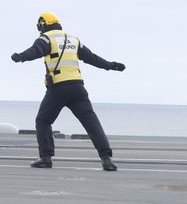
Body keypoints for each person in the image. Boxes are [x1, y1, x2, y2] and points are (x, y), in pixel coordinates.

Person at [10, 13, 126, 171]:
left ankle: (45, 157)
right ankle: (106, 159)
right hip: (78, 88)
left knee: (43, 121)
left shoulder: (46, 38)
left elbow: (35, 51)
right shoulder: (73, 39)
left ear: (43, 25)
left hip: (58, 88)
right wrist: (111, 65)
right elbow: (92, 58)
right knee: (91, 123)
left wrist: (21, 57)